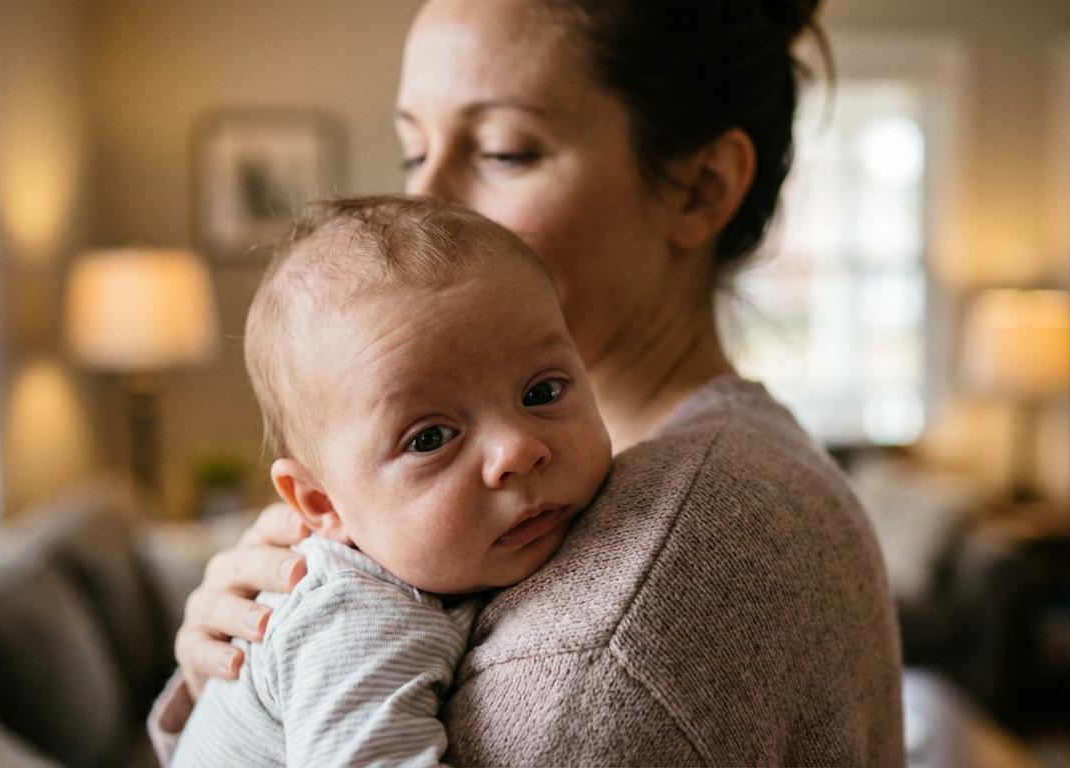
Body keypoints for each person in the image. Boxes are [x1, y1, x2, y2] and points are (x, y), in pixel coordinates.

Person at [154, 0, 906, 764]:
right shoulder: (593, 498)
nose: (427, 201)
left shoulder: (616, 624)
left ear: (702, 186)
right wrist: (240, 674)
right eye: (414, 152)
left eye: (505, 152)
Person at [170, 196, 612, 767]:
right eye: (430, 439)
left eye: (542, 393)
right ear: (321, 503)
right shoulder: (356, 620)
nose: (517, 450)